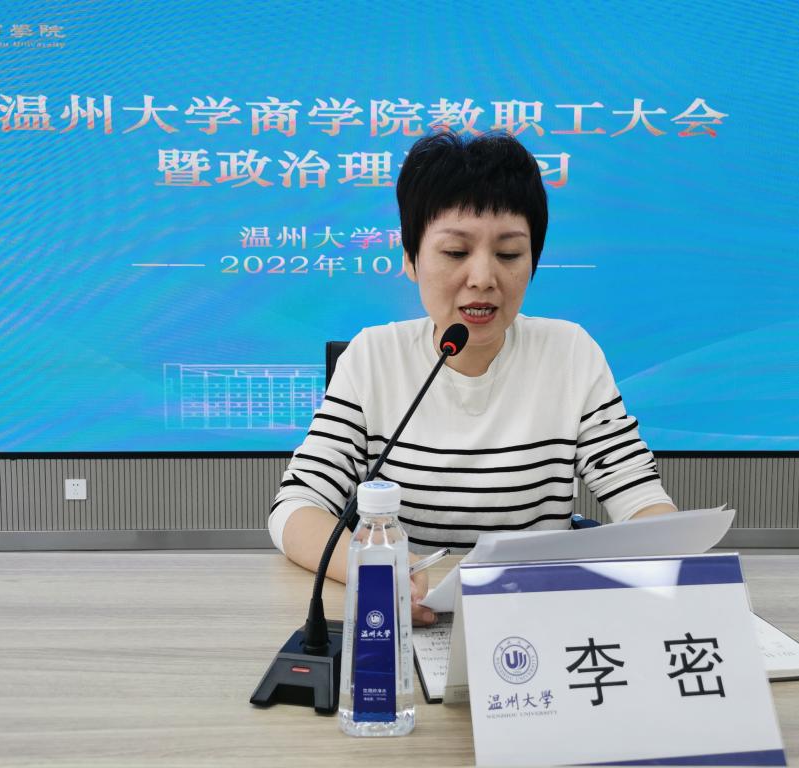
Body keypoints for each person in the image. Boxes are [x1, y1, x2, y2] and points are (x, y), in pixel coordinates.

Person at [268, 131, 676, 626]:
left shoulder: (570, 352)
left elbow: (642, 501)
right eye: (456, 252)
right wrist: (377, 572)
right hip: (409, 618)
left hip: (540, 617)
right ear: (411, 259)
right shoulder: (373, 357)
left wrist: (670, 561)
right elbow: (296, 509)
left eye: (509, 254)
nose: (483, 277)